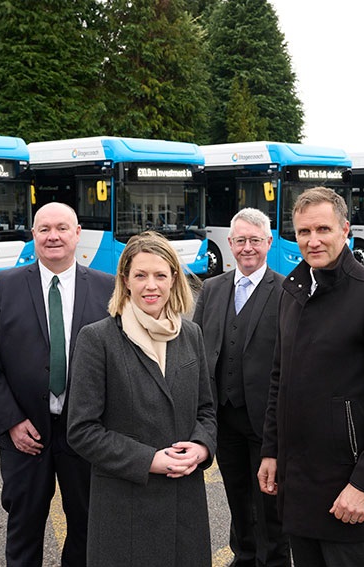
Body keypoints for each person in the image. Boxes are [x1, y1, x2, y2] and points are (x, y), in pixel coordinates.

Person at [257, 187, 364, 567]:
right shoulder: (291, 291)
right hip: (297, 485)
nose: (313, 241)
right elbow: (281, 379)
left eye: (323, 229)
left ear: (346, 230)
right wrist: (270, 450)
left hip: (348, 487)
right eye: (303, 232)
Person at [0, 202, 115, 567]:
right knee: (24, 527)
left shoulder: (107, 288)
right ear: (32, 234)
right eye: (44, 228)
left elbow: (119, 361)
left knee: (85, 525)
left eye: (62, 228)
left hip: (84, 432)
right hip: (25, 434)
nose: (53, 236)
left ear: (78, 233)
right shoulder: (4, 286)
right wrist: (12, 421)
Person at [67, 231, 217, 567]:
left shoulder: (191, 334)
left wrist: (203, 446)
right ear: (125, 280)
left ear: (174, 279)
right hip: (125, 509)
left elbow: (206, 409)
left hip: (184, 506)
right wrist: (149, 460)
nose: (151, 285)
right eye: (141, 275)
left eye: (161, 275)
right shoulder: (97, 339)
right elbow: (82, 430)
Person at [193, 208, 290, 567]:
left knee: (270, 503)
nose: (247, 247)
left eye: (255, 240)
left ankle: (274, 560)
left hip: (266, 420)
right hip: (224, 418)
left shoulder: (286, 291)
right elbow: (198, 346)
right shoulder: (212, 288)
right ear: (230, 244)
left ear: (268, 242)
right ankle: (244, 556)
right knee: (236, 494)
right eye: (240, 240)